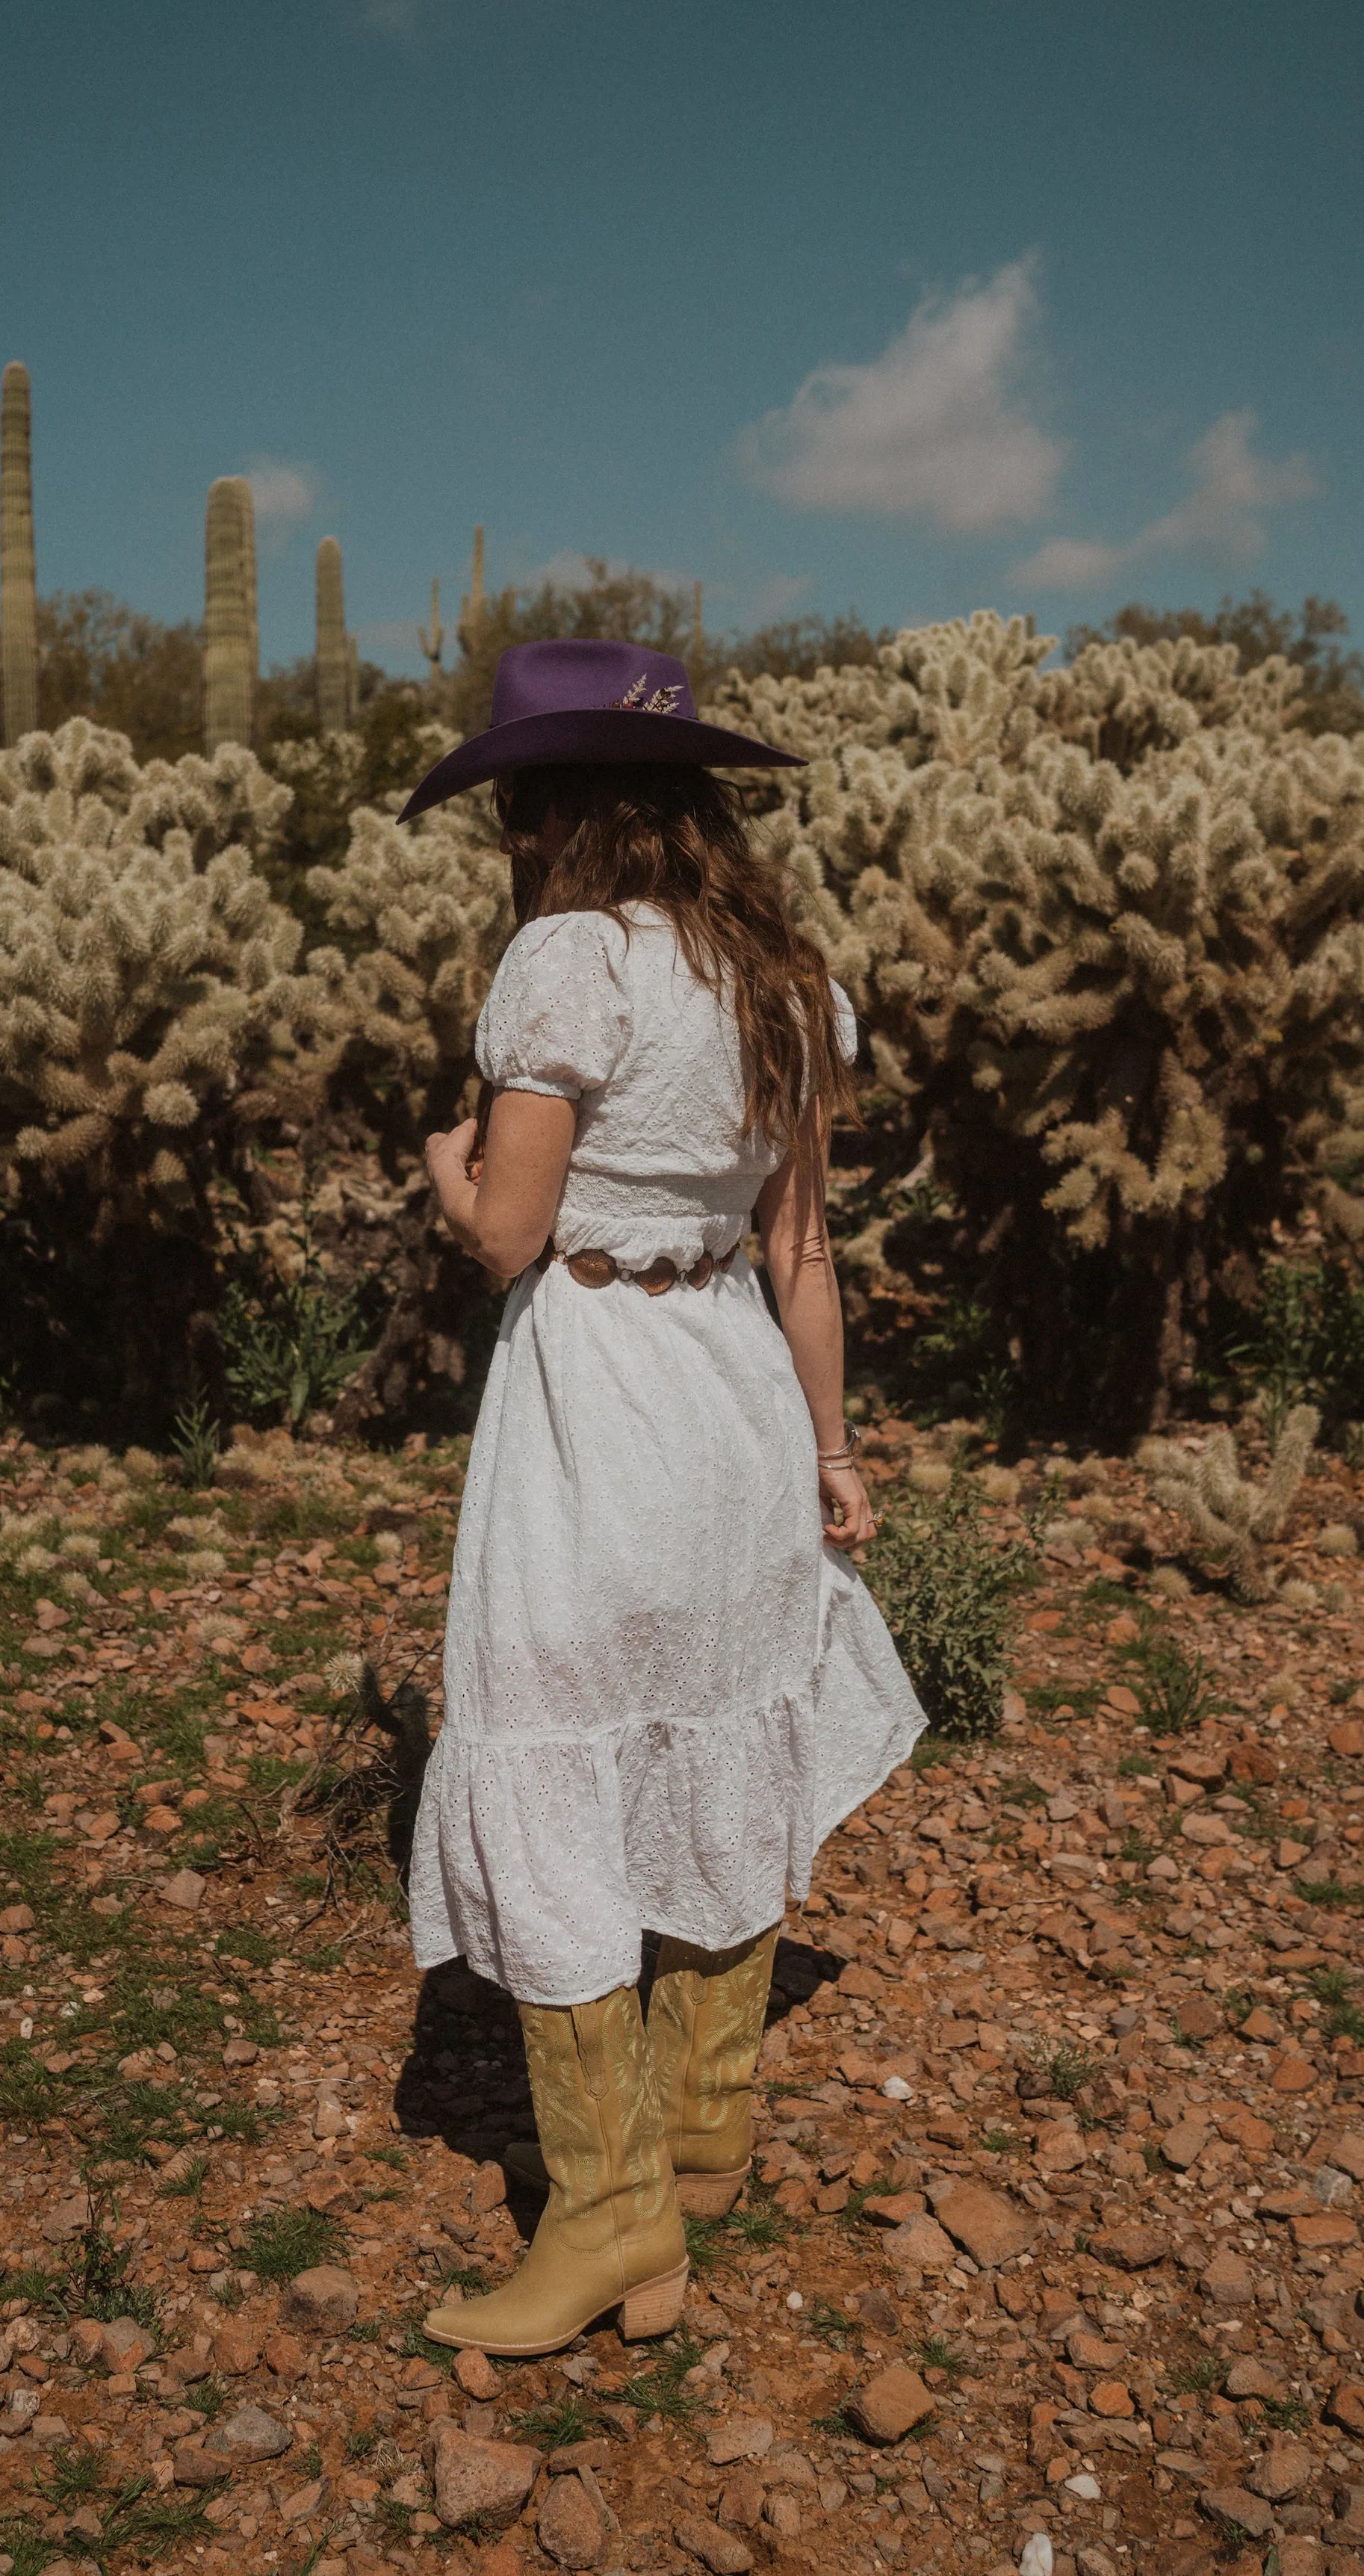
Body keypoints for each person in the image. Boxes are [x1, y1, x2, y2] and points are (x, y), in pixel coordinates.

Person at [397, 638, 925, 2359]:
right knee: (712, 1726)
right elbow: (807, 1253)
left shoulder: (568, 963)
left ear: (545, 812)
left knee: (550, 1753)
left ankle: (608, 2223)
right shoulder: (779, 973)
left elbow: (506, 1233)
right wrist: (834, 1454)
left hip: (600, 1407)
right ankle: (702, 2140)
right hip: (739, 1408)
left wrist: (446, 1165)